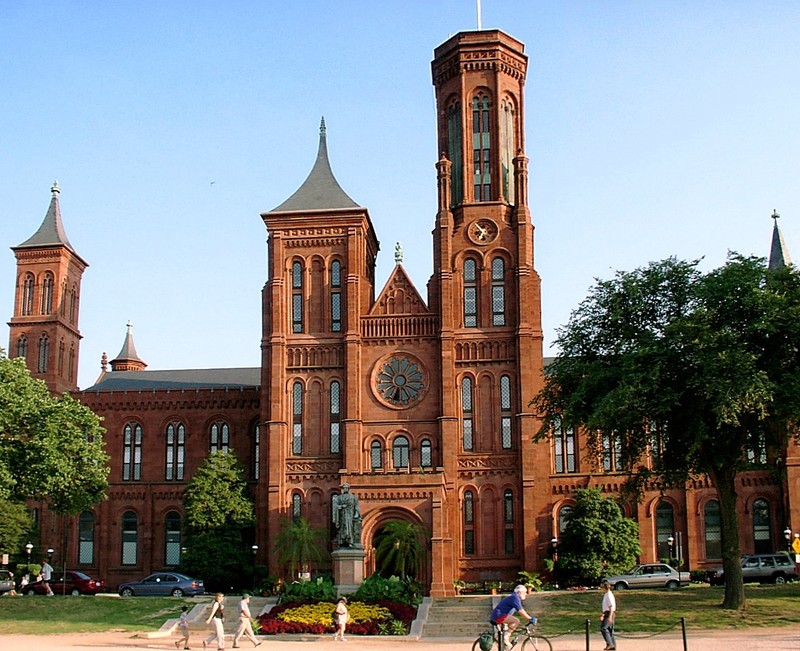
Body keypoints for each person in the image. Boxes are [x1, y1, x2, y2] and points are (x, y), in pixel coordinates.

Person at [332, 483, 362, 548]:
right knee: (342, 528)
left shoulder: (353, 497)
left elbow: (356, 506)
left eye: (346, 488)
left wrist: (356, 514)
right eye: (344, 488)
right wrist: (340, 507)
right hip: (342, 516)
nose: (345, 489)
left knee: (350, 528)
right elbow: (336, 506)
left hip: (350, 516)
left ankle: (350, 542)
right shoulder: (339, 497)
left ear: (348, 488)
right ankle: (341, 542)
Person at [600, 580, 617, 650]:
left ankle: (610, 644)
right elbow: (605, 606)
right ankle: (612, 647)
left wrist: (610, 617)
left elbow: (611, 607)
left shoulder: (609, 595)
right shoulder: (606, 594)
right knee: (610, 631)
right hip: (607, 613)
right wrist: (603, 615)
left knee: (603, 628)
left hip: (609, 613)